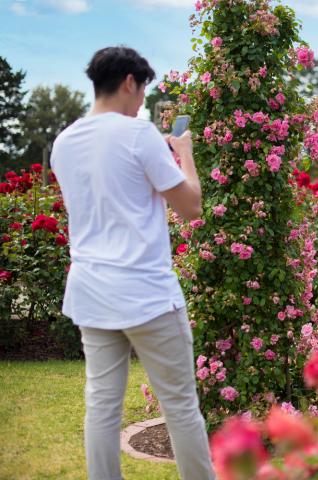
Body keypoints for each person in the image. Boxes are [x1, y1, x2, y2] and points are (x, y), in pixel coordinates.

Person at [50, 46, 215, 480]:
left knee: (101, 405)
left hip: (91, 292)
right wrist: (184, 152)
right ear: (129, 82)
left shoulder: (64, 142)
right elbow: (191, 206)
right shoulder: (139, 134)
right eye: (143, 90)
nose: (143, 100)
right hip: (147, 295)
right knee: (180, 405)